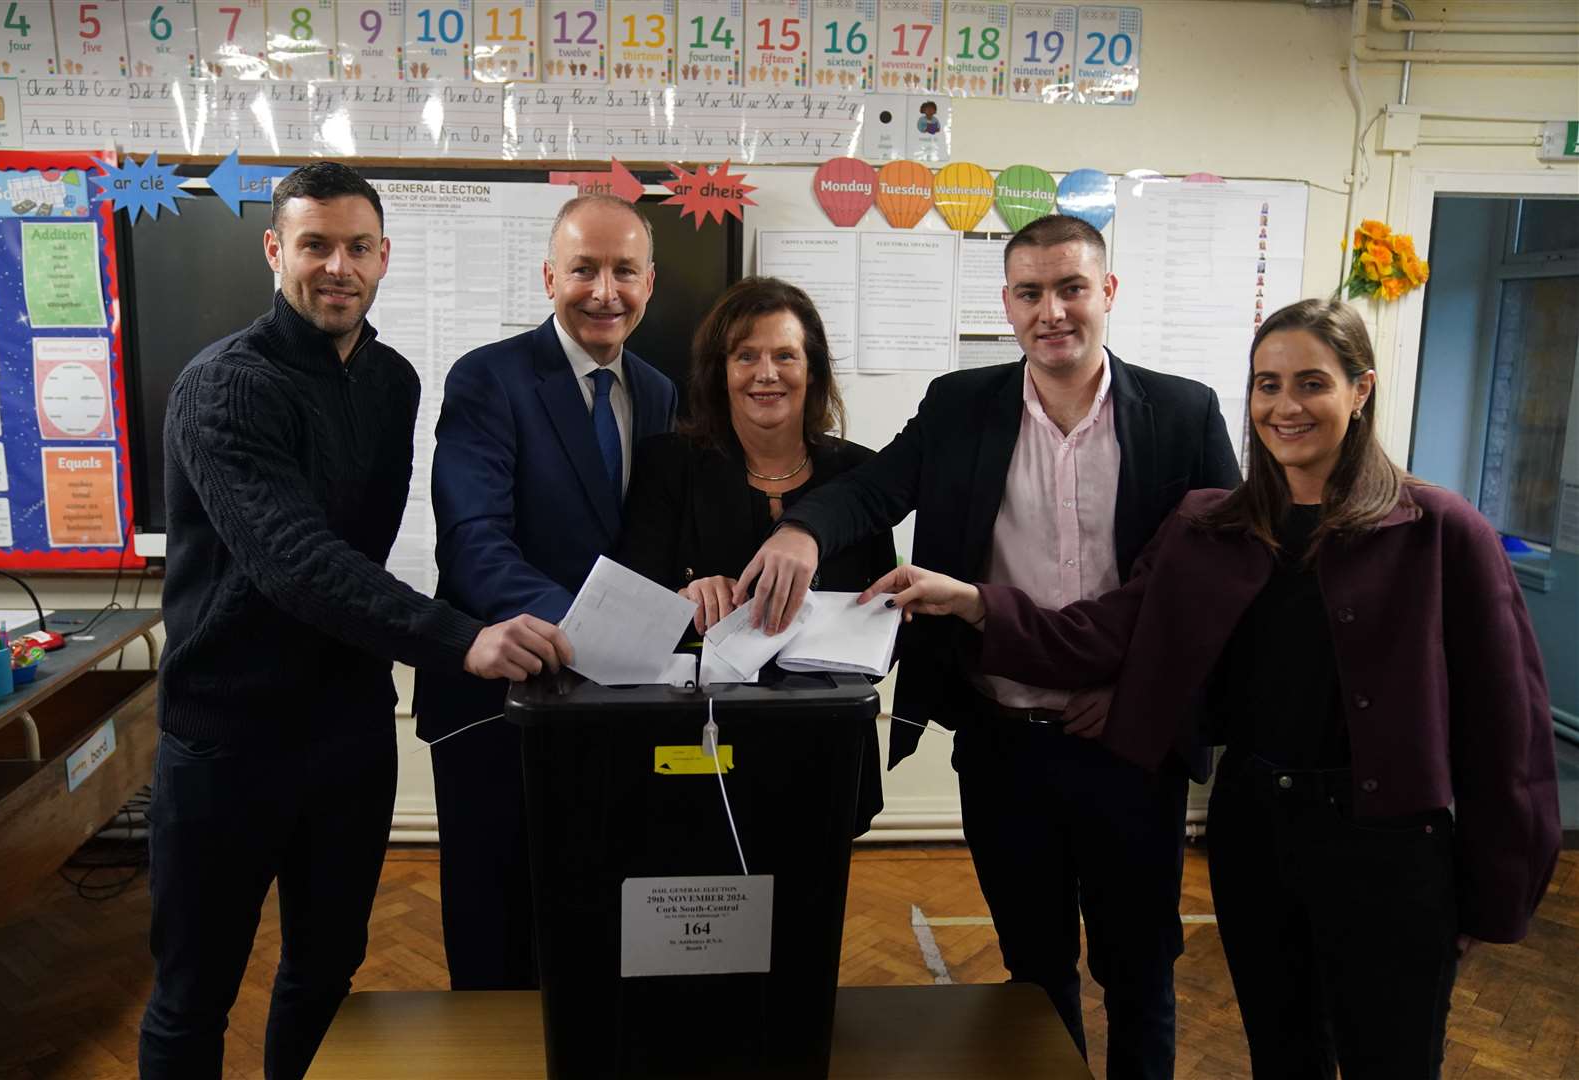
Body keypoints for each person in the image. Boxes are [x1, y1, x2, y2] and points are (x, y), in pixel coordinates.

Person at [862, 298, 1561, 1080]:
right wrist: (975, 601)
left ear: (1360, 390)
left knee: (1389, 1059)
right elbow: (1099, 633)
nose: (1285, 407)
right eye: (1267, 385)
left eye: (1311, 384)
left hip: (1391, 852)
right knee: (1282, 1053)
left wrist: (1495, 889)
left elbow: (1511, 728)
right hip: (1255, 835)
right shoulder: (1211, 526)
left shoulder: (1438, 529)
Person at [736, 214, 1239, 1078]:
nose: (1053, 311)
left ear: (1107, 293)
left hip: (1125, 745)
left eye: (1072, 288)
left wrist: (1138, 697)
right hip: (1005, 744)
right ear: (1006, 305)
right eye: (1031, 292)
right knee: (1033, 977)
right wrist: (804, 534)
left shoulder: (1183, 413)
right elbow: (871, 489)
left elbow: (1217, 589)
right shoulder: (960, 405)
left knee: (1140, 975)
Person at [141, 162, 571, 1080]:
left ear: (384, 258)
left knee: (324, 972)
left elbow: (361, 551)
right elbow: (296, 562)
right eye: (315, 245)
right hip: (227, 740)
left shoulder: (393, 383)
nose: (337, 266)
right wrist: (462, 636)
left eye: (357, 247)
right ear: (274, 252)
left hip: (347, 734)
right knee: (193, 994)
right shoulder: (223, 388)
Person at [415, 193, 677, 990]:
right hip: (499, 705)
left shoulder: (661, 393)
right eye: (584, 270)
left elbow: (651, 544)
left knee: (594, 911)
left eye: (623, 270)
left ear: (650, 281)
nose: (605, 291)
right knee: (496, 930)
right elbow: (471, 541)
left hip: (611, 709)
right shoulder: (489, 379)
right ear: (548, 277)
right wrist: (593, 631)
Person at [614, 276, 896, 833]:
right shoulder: (667, 465)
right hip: (693, 745)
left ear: (811, 369)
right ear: (720, 372)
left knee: (807, 913)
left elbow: (882, 633)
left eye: (785, 355)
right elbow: (630, 607)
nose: (766, 373)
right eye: (746, 356)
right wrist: (682, 599)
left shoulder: (860, 475)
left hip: (823, 747)